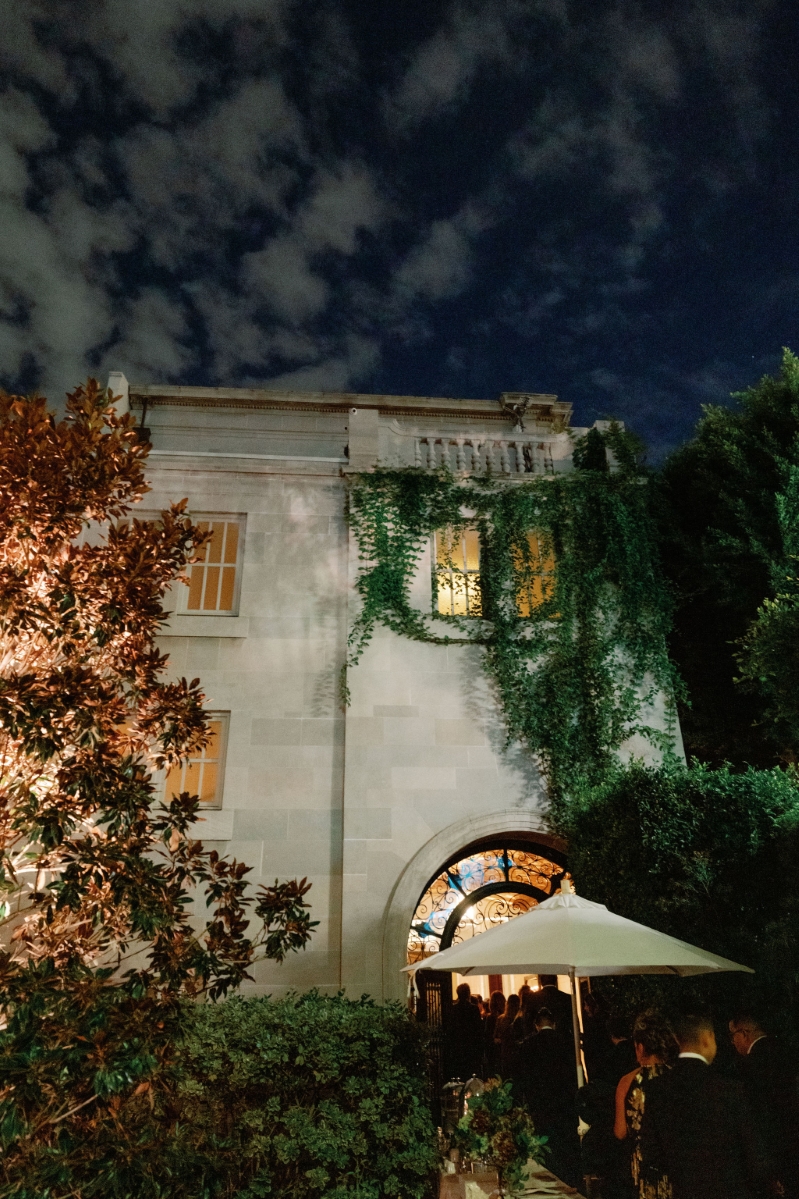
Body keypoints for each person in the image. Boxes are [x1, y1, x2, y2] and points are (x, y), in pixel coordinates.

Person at [640, 1011, 770, 1199]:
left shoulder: (657, 1089)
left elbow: (651, 1152)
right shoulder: (728, 1089)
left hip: (685, 1191)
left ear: (678, 1040)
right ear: (708, 1038)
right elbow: (753, 1152)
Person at [729, 1010, 799, 1198]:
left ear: (743, 1034)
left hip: (774, 1150)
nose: (732, 1042)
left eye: (733, 1035)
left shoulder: (749, 1066)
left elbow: (757, 1115)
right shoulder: (787, 1052)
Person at [614, 1012, 677, 1199]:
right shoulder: (676, 1078)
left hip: (642, 1169)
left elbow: (620, 1132)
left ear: (640, 1047)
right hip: (674, 1166)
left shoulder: (627, 1083)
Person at [523, 1007, 581, 1189]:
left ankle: (547, 1182)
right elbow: (574, 1072)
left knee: (545, 1148)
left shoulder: (528, 1046)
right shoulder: (567, 1043)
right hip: (564, 1104)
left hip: (540, 1104)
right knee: (565, 1149)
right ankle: (569, 1183)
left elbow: (524, 1077)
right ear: (553, 1024)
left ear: (536, 1025)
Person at [447, 982, 484, 1080]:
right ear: (468, 994)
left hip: (458, 1047)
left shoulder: (453, 1009)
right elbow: (478, 1029)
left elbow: (451, 1029)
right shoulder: (473, 1009)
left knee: (460, 1075)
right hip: (471, 1047)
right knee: (471, 1075)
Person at [496, 991, 521, 1080]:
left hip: (505, 1051)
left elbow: (496, 1036)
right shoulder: (520, 1019)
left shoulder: (501, 1019)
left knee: (506, 1078)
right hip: (518, 1052)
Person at [483, 990, 506, 1077]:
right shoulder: (505, 1017)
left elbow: (487, 1035)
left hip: (492, 1051)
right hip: (503, 1049)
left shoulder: (489, 1018)